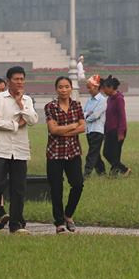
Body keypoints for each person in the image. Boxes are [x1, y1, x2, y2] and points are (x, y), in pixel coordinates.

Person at [0, 65, 38, 234]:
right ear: (8, 81)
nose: (20, 82)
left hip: (20, 149)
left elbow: (32, 120)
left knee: (18, 188)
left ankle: (15, 224)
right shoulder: (0, 98)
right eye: (16, 79)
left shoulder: (27, 99)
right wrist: (16, 124)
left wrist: (20, 104)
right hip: (0, 148)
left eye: (22, 79)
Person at [45, 76, 86, 234]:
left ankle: (68, 214)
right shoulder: (51, 107)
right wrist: (73, 125)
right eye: (60, 87)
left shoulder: (76, 105)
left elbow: (83, 128)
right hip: (55, 153)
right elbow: (53, 130)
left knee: (77, 184)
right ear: (56, 89)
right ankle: (59, 222)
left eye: (66, 87)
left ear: (71, 88)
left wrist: (66, 129)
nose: (63, 90)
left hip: (73, 152)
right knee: (56, 188)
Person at [101, 75, 130, 177]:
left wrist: (121, 132)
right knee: (106, 153)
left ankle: (121, 171)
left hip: (117, 130)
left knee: (115, 153)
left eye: (104, 88)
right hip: (109, 130)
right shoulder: (109, 99)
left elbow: (122, 116)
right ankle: (121, 170)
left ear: (111, 87)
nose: (103, 90)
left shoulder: (119, 99)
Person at [82, 75, 107, 177]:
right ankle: (102, 173)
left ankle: (86, 173)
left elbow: (96, 115)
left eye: (90, 87)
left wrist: (87, 116)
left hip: (97, 130)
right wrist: (88, 114)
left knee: (92, 153)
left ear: (96, 87)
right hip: (89, 130)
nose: (88, 90)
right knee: (95, 153)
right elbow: (83, 113)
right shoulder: (89, 100)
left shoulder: (103, 100)